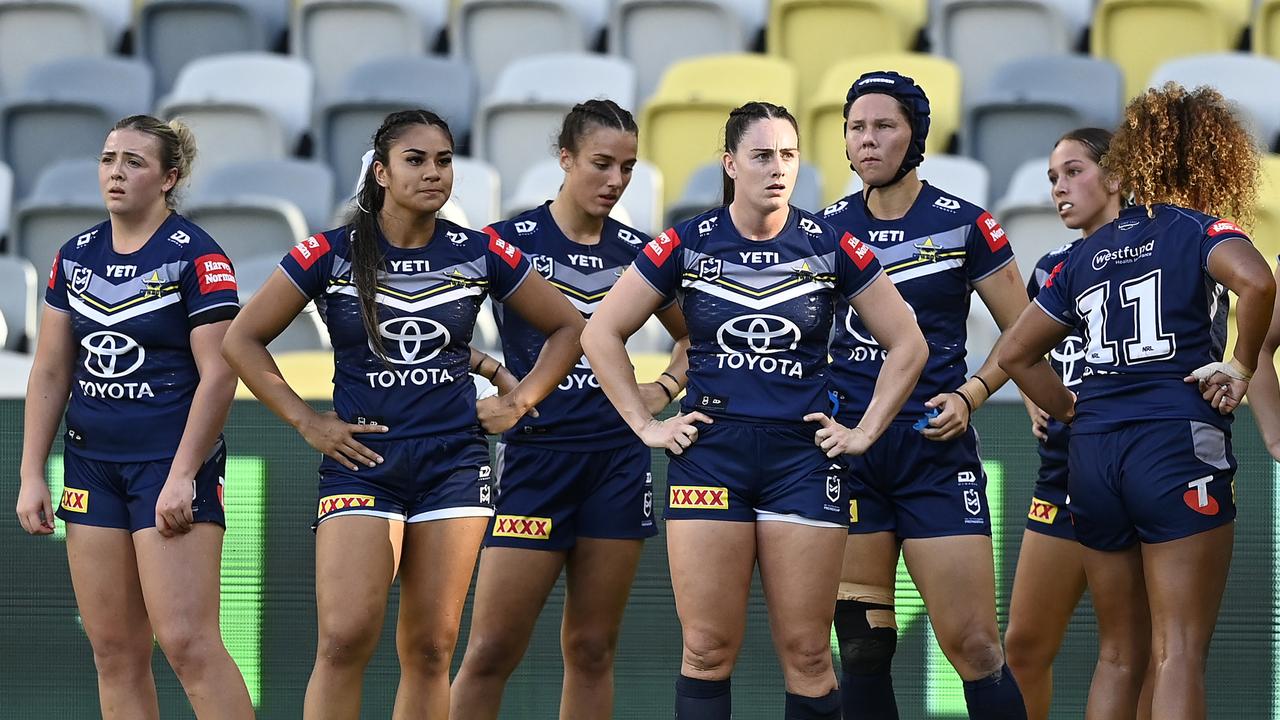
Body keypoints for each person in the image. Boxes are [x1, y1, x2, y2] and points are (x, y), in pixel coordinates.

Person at [219, 109, 584, 720]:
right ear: (381, 173)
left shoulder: (479, 249)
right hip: (362, 464)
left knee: (431, 648)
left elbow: (570, 327)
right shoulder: (329, 252)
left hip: (455, 464)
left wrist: (519, 400)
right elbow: (241, 340)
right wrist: (307, 422)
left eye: (444, 160)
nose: (434, 172)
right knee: (343, 640)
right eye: (415, 160)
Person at [582, 100, 927, 720]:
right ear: (730, 164)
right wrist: (646, 424)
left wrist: (865, 431)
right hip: (709, 458)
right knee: (707, 650)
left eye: (789, 156)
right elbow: (600, 333)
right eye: (762, 156)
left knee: (808, 654)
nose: (778, 169)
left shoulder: (832, 243)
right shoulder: (686, 242)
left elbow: (910, 344)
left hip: (803, 460)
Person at [997, 83, 1274, 720]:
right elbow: (1259, 282)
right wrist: (1240, 363)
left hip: (1092, 455)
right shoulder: (1196, 228)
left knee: (1117, 656)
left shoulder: (1078, 255)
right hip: (1174, 440)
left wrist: (1070, 409)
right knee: (1176, 652)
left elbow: (1014, 354)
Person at [450, 99, 690, 719]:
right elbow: (437, 327)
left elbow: (696, 339)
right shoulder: (506, 243)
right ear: (564, 158)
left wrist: (657, 394)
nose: (615, 181)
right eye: (601, 164)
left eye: (628, 168)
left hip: (616, 462)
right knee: (491, 649)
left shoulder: (645, 251)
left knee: (591, 648)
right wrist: (494, 379)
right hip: (534, 461)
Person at [15, 115, 254, 718]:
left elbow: (220, 373)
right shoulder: (74, 256)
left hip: (168, 467)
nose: (115, 172)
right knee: (114, 651)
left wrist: (182, 475)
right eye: (107, 159)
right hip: (92, 465)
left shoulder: (198, 255)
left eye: (134, 162)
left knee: (189, 646)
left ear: (169, 178)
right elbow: (49, 372)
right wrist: (31, 473)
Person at [820, 70, 1030, 719]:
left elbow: (1025, 333)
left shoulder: (967, 225)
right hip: (851, 461)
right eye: (856, 127)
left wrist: (973, 393)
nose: (867, 140)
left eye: (884, 126)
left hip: (934, 458)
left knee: (973, 646)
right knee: (861, 649)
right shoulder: (820, 229)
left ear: (915, 136)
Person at [1001, 128, 1145, 720]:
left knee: (1144, 652)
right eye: (1052, 178)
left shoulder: (1161, 246)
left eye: (1073, 172)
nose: (1059, 188)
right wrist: (1053, 403)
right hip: (1063, 471)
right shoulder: (1053, 268)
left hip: (1140, 463)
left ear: (1115, 177)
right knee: (1023, 647)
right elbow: (1023, 355)